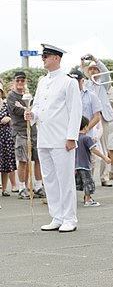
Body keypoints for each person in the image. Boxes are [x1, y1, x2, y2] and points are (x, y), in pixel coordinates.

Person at [25, 43, 82, 233]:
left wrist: (72, 136)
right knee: (50, 179)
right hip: (44, 138)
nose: (43, 59)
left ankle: (69, 218)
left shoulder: (69, 82)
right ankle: (56, 216)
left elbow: (75, 111)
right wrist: (31, 114)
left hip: (61, 138)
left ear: (56, 58)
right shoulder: (43, 82)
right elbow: (39, 106)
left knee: (65, 179)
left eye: (46, 56)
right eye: (43, 56)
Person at [6, 72, 45, 199]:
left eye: (22, 81)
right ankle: (22, 187)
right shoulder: (11, 96)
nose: (20, 83)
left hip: (33, 130)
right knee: (23, 160)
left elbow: (36, 109)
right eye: (18, 81)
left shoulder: (29, 94)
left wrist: (24, 107)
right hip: (20, 131)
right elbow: (15, 111)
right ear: (14, 81)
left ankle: (38, 186)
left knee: (37, 159)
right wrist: (27, 108)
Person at [81, 55, 113, 187]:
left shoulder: (103, 83)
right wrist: (82, 63)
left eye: (95, 69)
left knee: (105, 148)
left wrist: (96, 60)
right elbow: (77, 79)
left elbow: (106, 73)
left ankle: (104, 177)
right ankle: (90, 176)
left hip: (103, 117)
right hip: (90, 118)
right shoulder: (86, 84)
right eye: (91, 69)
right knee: (89, 147)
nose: (93, 71)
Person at [75, 116, 111, 206]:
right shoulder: (86, 138)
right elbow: (94, 150)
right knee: (88, 182)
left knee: (76, 183)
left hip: (75, 165)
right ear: (86, 127)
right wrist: (105, 157)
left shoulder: (75, 138)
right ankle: (88, 200)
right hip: (85, 164)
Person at [0, 80, 17, 198]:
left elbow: (13, 118)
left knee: (5, 164)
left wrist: (9, 119)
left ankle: (5, 188)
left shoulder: (6, 105)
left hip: (6, 137)